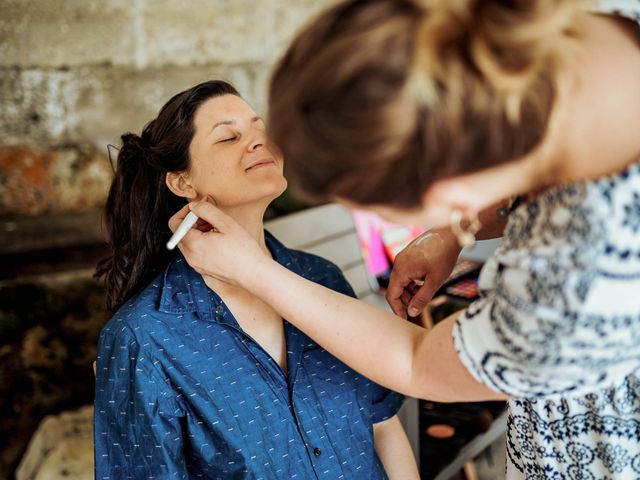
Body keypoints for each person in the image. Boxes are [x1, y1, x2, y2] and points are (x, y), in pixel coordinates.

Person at [169, 1, 640, 478]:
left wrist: (254, 269)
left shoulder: (578, 282)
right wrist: (452, 235)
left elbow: (418, 362)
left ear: (451, 191)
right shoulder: (591, 37)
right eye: (226, 138)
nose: (255, 145)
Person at [93, 80, 418, 479]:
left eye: (260, 128)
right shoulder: (144, 339)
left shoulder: (321, 278)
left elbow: (382, 425)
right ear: (182, 182)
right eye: (229, 136)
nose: (258, 141)